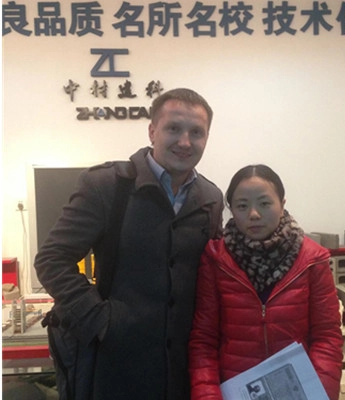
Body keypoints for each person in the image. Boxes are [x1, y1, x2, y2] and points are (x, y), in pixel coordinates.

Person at [34, 88, 224, 400]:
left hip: (184, 372)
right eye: (173, 128)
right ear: (152, 131)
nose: (185, 141)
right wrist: (98, 319)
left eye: (196, 132)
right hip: (116, 369)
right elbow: (52, 259)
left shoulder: (210, 198)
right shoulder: (107, 185)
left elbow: (213, 274)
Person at [189, 164, 343, 400]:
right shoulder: (216, 259)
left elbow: (326, 337)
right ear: (231, 209)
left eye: (264, 203)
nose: (254, 214)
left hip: (297, 392)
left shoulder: (312, 260)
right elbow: (204, 341)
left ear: (282, 204)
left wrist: (319, 394)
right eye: (242, 206)